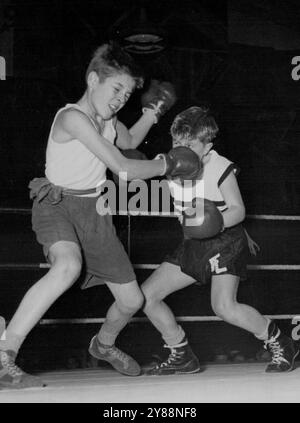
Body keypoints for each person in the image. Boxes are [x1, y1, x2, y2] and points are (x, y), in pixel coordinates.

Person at [0, 42, 199, 389]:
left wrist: (152, 112)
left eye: (127, 93)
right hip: (57, 204)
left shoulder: (108, 121)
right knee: (67, 266)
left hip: (94, 212)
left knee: (132, 300)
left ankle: (103, 344)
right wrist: (166, 163)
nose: (122, 98)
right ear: (93, 79)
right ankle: (5, 355)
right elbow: (122, 168)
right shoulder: (72, 118)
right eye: (116, 88)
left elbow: (130, 139)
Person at [141, 106, 299, 375]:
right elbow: (136, 174)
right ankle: (180, 353)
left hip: (225, 239)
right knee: (145, 297)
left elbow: (238, 209)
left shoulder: (219, 166)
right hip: (193, 241)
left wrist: (216, 222)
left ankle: (280, 342)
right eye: (176, 142)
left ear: (207, 146)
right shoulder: (169, 164)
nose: (180, 148)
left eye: (189, 144)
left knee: (224, 306)